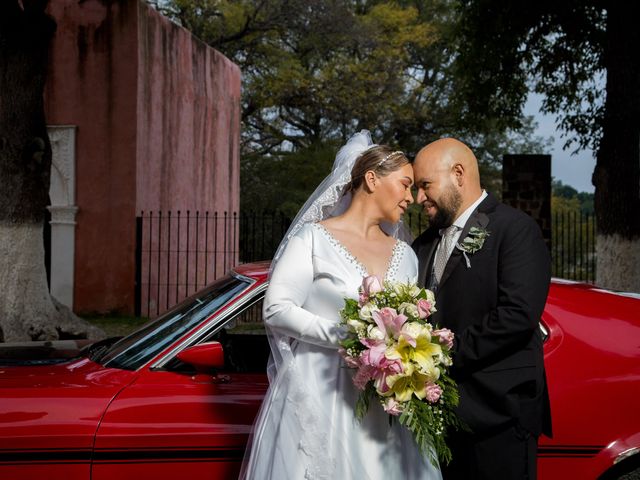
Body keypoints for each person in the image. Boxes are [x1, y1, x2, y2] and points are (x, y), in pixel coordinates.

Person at [240, 131, 442, 480]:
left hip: (382, 400)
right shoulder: (313, 239)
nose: (411, 197)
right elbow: (276, 308)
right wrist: (353, 337)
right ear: (371, 179)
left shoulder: (405, 255)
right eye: (405, 184)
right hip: (322, 391)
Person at [411, 138, 552, 479]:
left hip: (499, 413)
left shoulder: (514, 229)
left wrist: (441, 354)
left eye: (425, 185)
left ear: (458, 174)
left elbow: (517, 314)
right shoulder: (423, 243)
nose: (418, 199)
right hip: (441, 416)